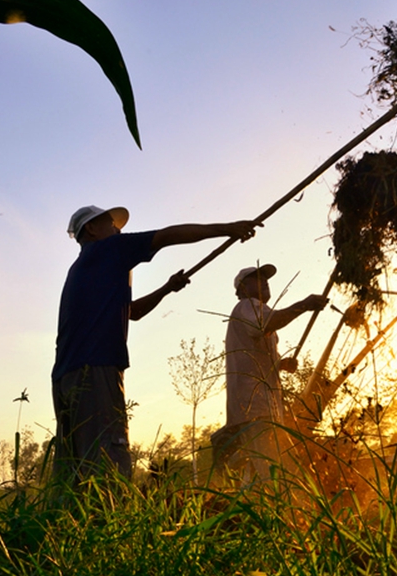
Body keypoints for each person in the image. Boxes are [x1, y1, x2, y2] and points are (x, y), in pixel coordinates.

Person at [52, 204, 259, 482]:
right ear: (91, 228)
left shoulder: (86, 268)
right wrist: (227, 229)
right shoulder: (108, 250)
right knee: (107, 457)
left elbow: (132, 312)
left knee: (76, 465)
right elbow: (166, 236)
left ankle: (70, 521)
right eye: (111, 224)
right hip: (96, 367)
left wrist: (166, 288)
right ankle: (110, 519)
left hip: (67, 375)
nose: (118, 230)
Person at [221, 263, 328, 482]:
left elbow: (255, 355)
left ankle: (261, 509)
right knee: (279, 471)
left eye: (265, 279)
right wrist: (303, 305)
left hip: (263, 407)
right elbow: (267, 324)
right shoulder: (247, 306)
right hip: (255, 407)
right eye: (257, 279)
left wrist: (280, 364)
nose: (264, 282)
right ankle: (292, 511)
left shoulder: (256, 310)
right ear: (242, 287)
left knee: (269, 468)